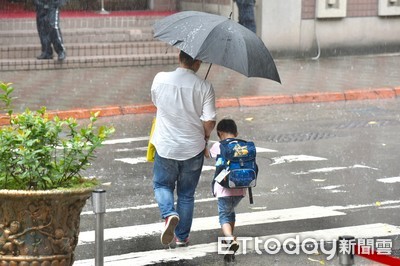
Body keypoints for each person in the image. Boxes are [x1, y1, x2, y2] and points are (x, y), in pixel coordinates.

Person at [150, 50, 217, 247]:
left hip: (166, 146)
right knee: (187, 194)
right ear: (197, 63)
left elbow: (157, 102)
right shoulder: (205, 87)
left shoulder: (160, 78)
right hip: (193, 147)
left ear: (179, 58)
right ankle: (182, 237)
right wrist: (205, 135)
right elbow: (210, 120)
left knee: (162, 185)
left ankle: (169, 213)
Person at [208, 118, 246, 262]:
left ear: (219, 133)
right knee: (231, 213)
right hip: (240, 187)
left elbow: (208, 155)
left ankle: (229, 239)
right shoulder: (242, 145)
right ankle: (229, 245)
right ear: (236, 132)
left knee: (224, 215)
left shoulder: (219, 145)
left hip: (224, 188)